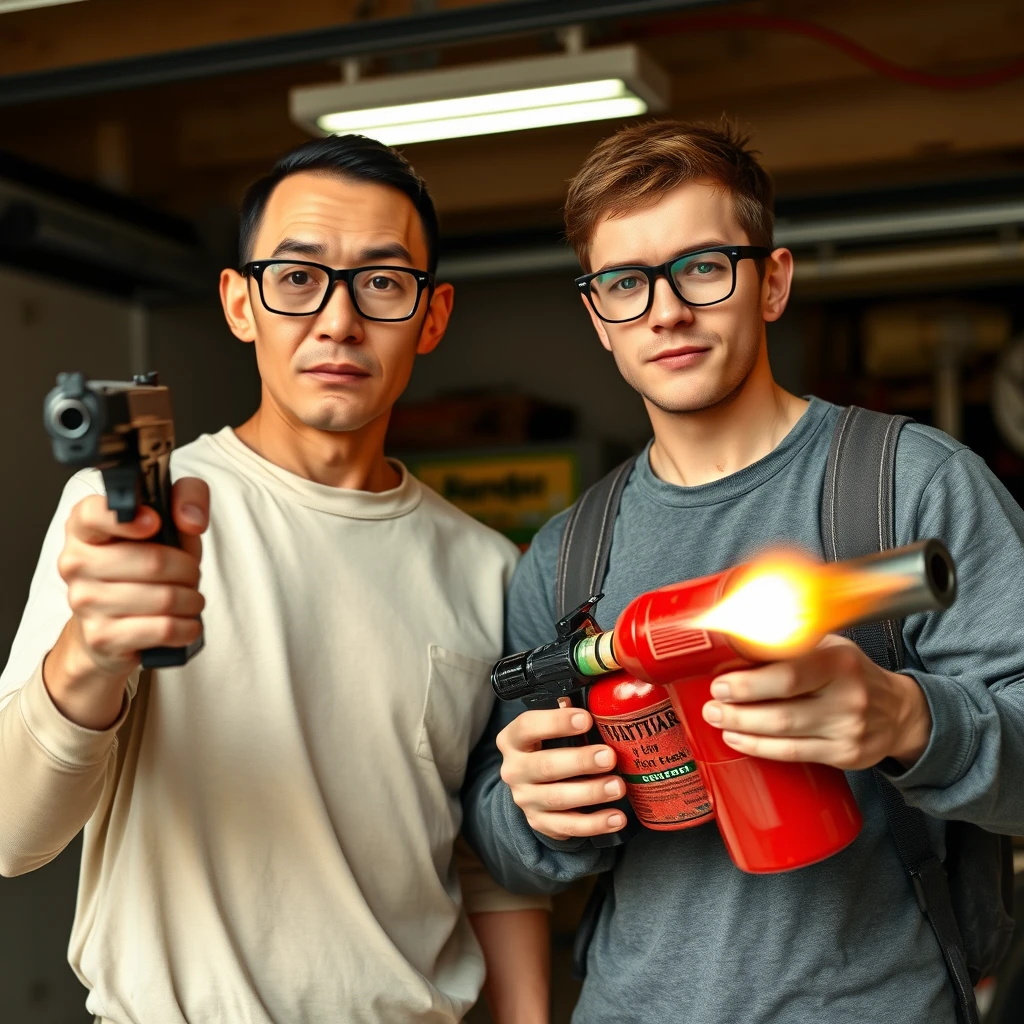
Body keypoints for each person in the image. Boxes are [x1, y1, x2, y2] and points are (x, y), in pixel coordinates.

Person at [461, 120, 1024, 1024]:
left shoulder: (907, 485)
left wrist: (907, 718)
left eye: (703, 266)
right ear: (597, 316)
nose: (665, 310)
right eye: (624, 283)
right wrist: (538, 812)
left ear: (772, 282)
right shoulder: (569, 554)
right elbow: (502, 845)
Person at [0, 135, 550, 1024]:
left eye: (382, 281)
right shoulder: (122, 517)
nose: (338, 320)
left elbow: (489, 860)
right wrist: (90, 657)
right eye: (296, 278)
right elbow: (9, 837)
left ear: (433, 315)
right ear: (239, 303)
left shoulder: (489, 569)